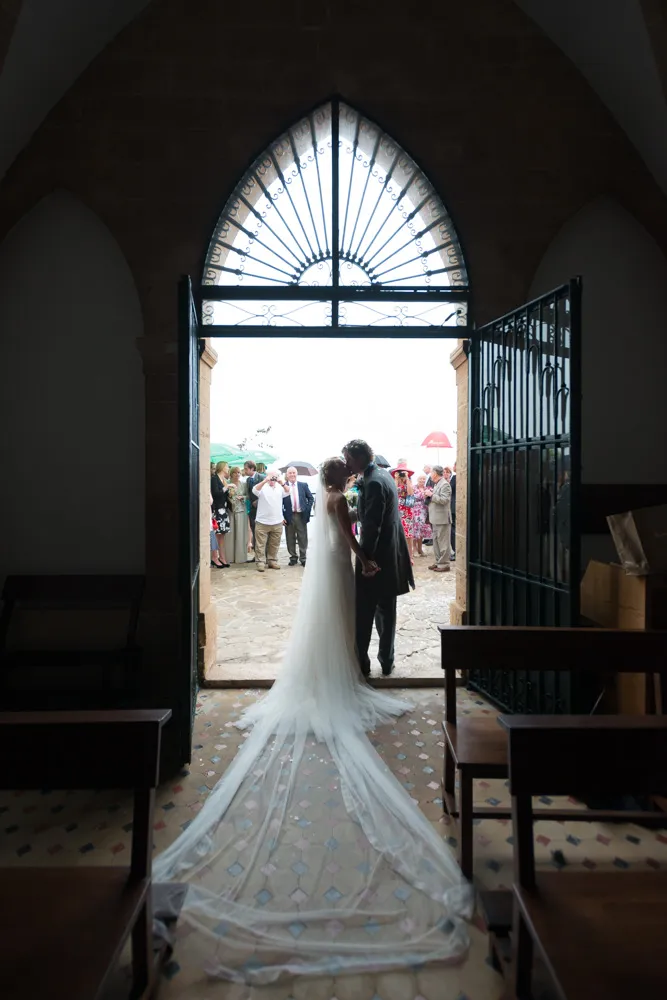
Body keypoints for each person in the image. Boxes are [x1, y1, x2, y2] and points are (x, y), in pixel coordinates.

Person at [152, 456, 471, 983]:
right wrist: (367, 562)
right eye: (344, 472)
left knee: (331, 630)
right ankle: (344, 677)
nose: (348, 477)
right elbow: (348, 539)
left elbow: (336, 532)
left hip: (322, 573)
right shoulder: (340, 501)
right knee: (345, 628)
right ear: (339, 477)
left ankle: (333, 676)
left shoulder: (327, 499)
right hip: (340, 569)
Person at [344, 439, 414, 677]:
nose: (347, 463)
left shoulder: (373, 483)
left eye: (349, 459)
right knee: (387, 610)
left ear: (361, 457)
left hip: (376, 557)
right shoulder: (383, 475)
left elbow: (372, 527)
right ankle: (387, 660)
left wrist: (366, 561)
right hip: (391, 552)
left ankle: (362, 663)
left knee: (364, 612)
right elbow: (372, 515)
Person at [252, 469, 289, 572]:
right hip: (262, 521)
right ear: (267, 477)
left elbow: (288, 491)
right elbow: (254, 490)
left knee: (274, 543)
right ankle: (260, 562)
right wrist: (265, 481)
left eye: (274, 477)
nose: (273, 479)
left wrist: (282, 482)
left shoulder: (280, 487)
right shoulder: (262, 486)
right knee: (260, 544)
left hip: (277, 521)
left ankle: (272, 560)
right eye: (271, 477)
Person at [283, 466, 315, 566]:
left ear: (296, 474)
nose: (292, 474)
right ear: (287, 475)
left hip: (301, 515)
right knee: (290, 537)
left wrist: (307, 509)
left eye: (294, 473)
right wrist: (282, 516)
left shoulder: (303, 485)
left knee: (302, 536)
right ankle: (293, 557)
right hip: (288, 515)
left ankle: (303, 557)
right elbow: (279, 502)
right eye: (290, 473)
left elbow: (310, 498)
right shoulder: (283, 486)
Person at [426, 464, 452, 572]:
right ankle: (438, 562)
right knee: (436, 542)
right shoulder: (437, 484)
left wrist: (431, 495)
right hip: (435, 518)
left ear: (435, 473)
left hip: (442, 519)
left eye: (431, 472)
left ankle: (444, 564)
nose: (430, 475)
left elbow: (444, 500)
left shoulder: (445, 484)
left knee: (443, 542)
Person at [391, 462, 415, 564]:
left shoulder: (408, 482)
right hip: (397, 510)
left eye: (403, 472)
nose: (401, 474)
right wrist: (396, 479)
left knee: (409, 535)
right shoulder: (394, 481)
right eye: (399, 472)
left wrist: (407, 478)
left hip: (407, 510)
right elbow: (394, 493)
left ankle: (410, 556)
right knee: (397, 533)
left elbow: (410, 493)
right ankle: (398, 555)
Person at [226, 466, 250, 564]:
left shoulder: (244, 484)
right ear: (231, 474)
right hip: (230, 510)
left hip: (241, 510)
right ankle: (229, 557)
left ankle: (241, 557)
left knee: (241, 533)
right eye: (235, 472)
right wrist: (229, 498)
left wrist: (243, 497)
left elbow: (248, 495)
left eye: (239, 473)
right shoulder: (227, 483)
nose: (237, 474)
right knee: (230, 534)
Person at [210, 461, 231, 567]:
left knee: (222, 535)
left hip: (224, 509)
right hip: (217, 510)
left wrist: (230, 491)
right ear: (222, 467)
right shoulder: (214, 479)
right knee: (216, 534)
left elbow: (224, 495)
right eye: (227, 466)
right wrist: (226, 488)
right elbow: (215, 493)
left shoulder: (224, 480)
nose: (228, 468)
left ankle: (222, 557)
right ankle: (214, 557)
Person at [244, 459, 264, 553]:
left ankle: (264, 554)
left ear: (252, 468)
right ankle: (257, 555)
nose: (244, 471)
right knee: (254, 530)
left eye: (246, 469)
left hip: (262, 510)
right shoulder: (248, 480)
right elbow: (248, 494)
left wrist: (258, 501)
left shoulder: (262, 478)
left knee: (262, 532)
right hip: (252, 510)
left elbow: (267, 493)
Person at [412, 472, 432, 556]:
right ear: (417, 479)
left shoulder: (428, 488)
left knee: (421, 531)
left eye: (424, 479)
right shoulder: (413, 487)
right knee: (415, 530)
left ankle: (420, 549)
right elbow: (413, 497)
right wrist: (422, 495)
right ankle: (414, 549)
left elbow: (431, 496)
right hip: (415, 512)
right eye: (420, 478)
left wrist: (425, 494)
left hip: (424, 512)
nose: (422, 480)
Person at [450, 461, 457, 560]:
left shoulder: (455, 477)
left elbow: (450, 490)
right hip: (455, 507)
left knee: (453, 531)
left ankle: (456, 551)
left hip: (453, 508)